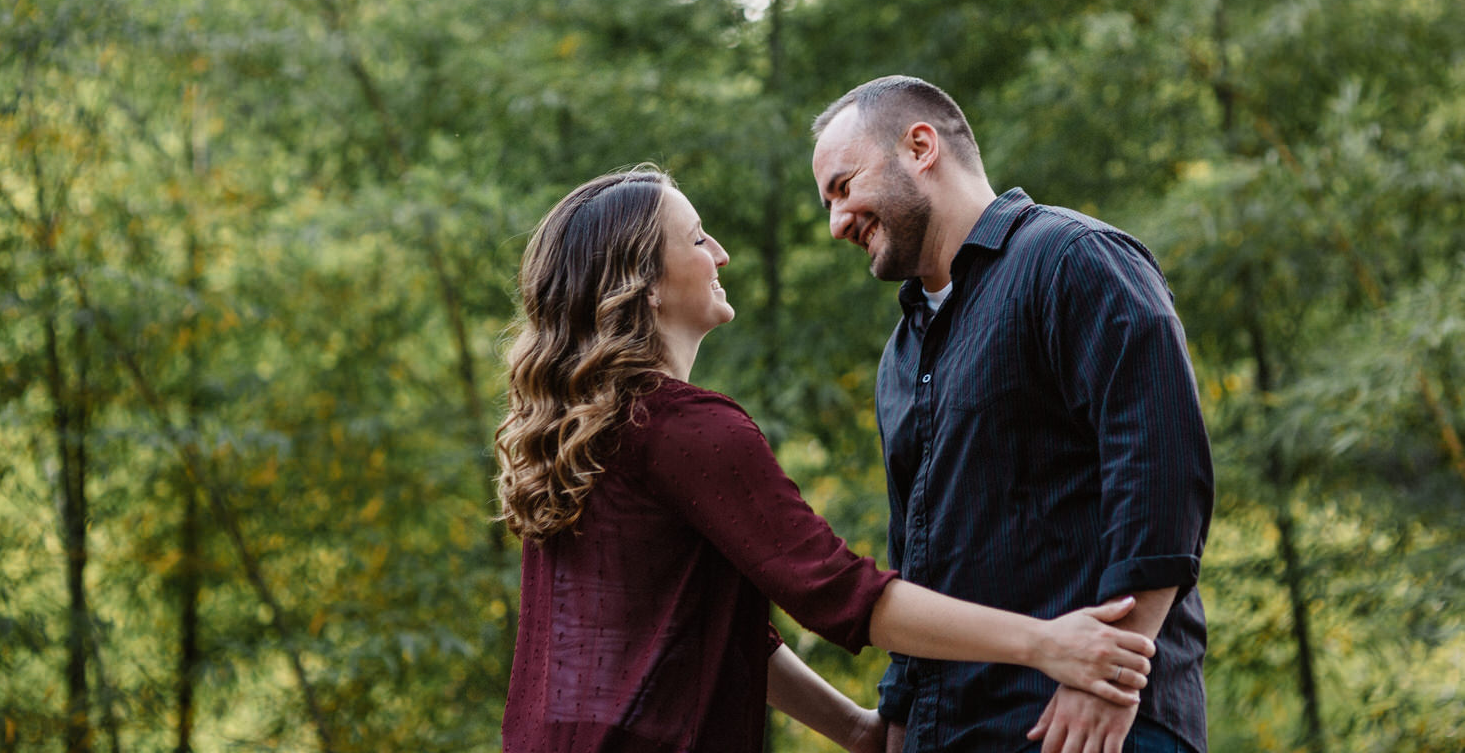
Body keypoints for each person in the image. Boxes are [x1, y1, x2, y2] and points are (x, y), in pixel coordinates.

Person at [496, 167, 1159, 753]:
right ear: (643, 284)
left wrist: (858, 732)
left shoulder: (591, 436)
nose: (721, 255)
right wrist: (1046, 644)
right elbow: (840, 593)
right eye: (698, 239)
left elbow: (723, 633)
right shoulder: (686, 429)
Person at [810, 76, 1216, 753]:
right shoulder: (900, 356)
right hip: (951, 733)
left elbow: (1161, 469)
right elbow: (918, 560)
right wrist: (901, 724)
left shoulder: (1072, 260)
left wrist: (1105, 677)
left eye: (843, 187)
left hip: (1089, 727)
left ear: (920, 147)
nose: (837, 223)